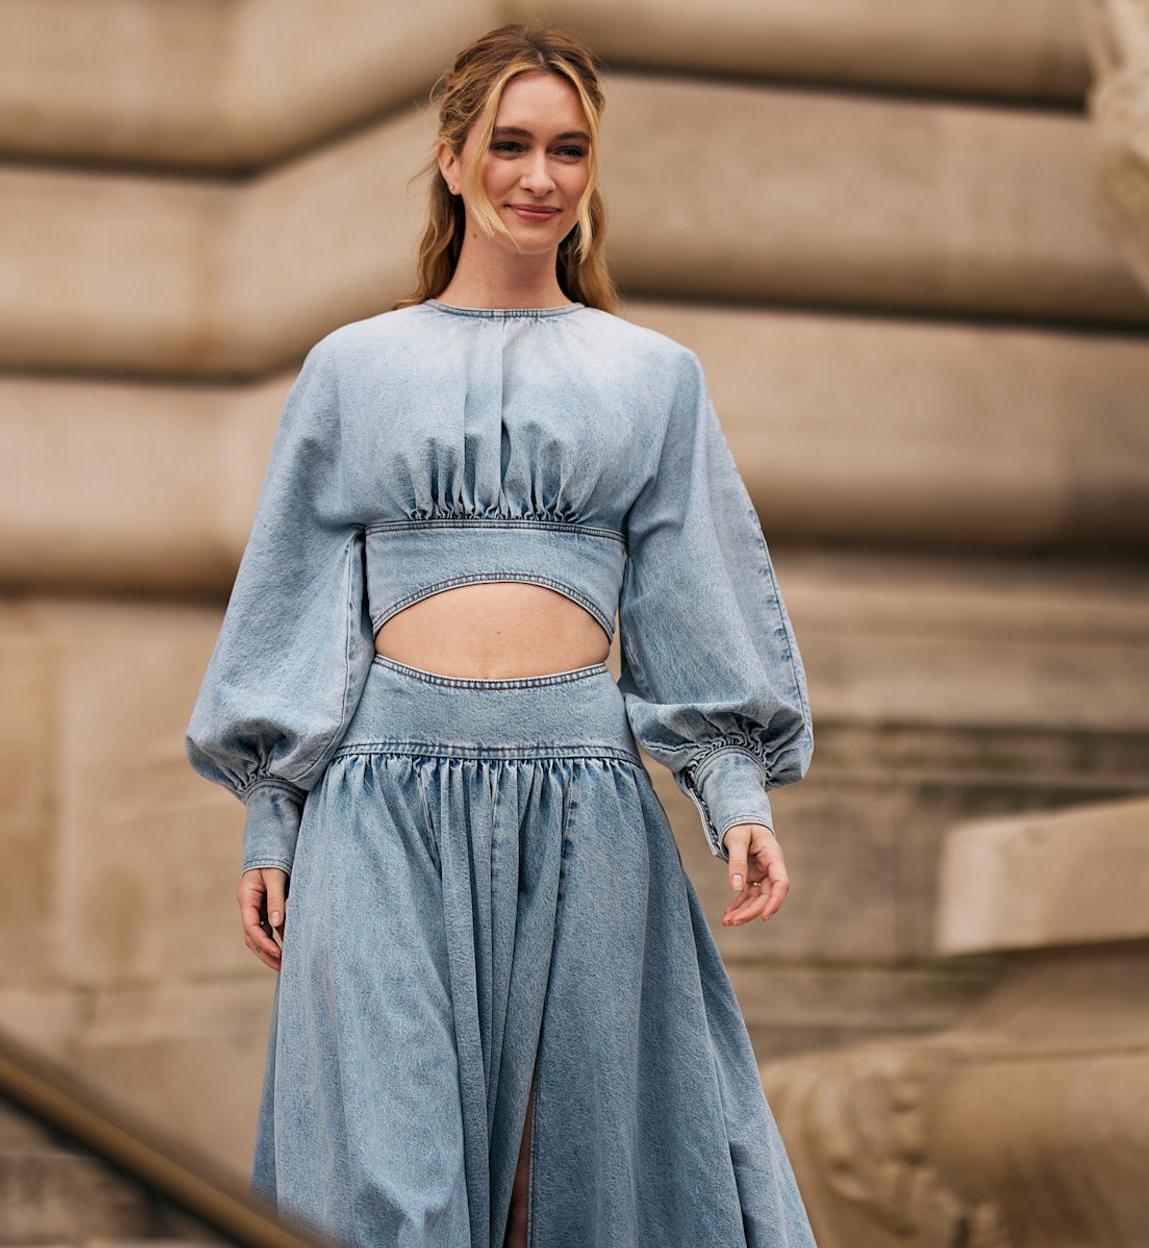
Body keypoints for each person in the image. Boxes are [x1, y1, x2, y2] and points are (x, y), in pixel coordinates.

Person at [184, 21, 817, 1248]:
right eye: (511, 144)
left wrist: (734, 791)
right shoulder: (352, 368)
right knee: (387, 1177)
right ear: (452, 158)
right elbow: (294, 592)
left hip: (586, 802)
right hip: (374, 809)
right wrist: (273, 809)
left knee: (562, 1183)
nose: (540, 175)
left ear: (592, 170)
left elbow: (690, 592)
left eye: (568, 149)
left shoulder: (653, 376)